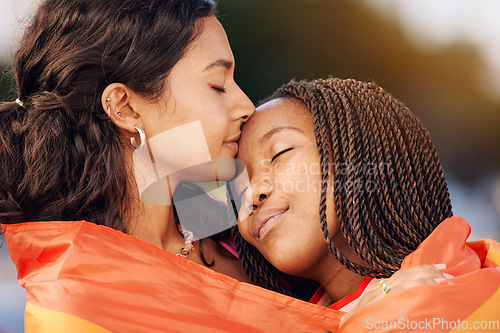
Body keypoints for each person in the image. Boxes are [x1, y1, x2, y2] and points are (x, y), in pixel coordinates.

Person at [232, 77, 500, 331]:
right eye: (237, 186)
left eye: (279, 153)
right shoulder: (308, 318)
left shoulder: (442, 288)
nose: (252, 193)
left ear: (352, 158)